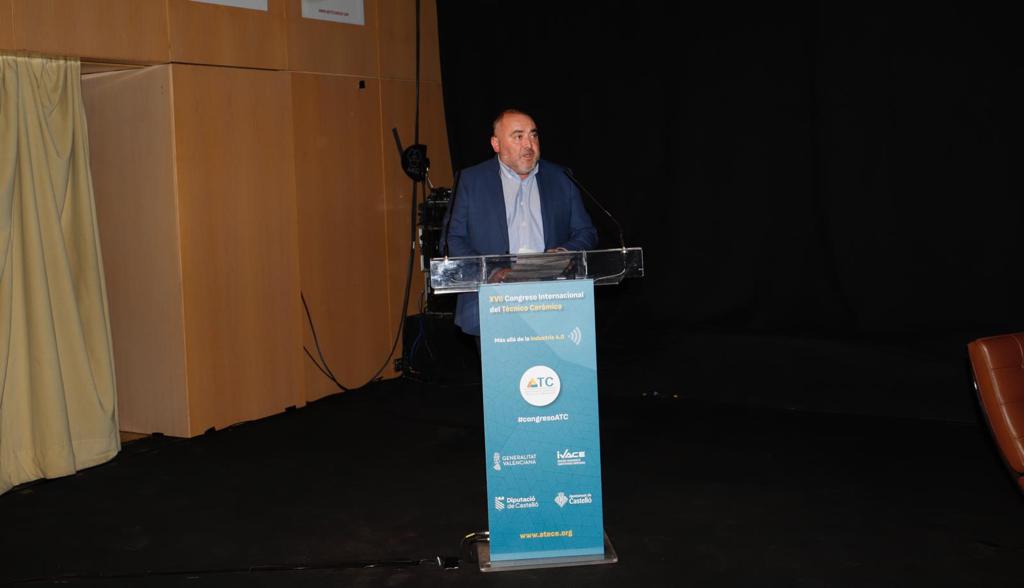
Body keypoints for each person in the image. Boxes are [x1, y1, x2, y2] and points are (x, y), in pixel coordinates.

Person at [444, 109, 598, 337]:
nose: (529, 144)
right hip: (491, 303)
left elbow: (586, 232)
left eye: (533, 135)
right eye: (518, 136)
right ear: (496, 144)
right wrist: (492, 271)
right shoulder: (470, 180)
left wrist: (563, 253)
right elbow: (453, 239)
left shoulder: (561, 178)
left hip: (554, 303)